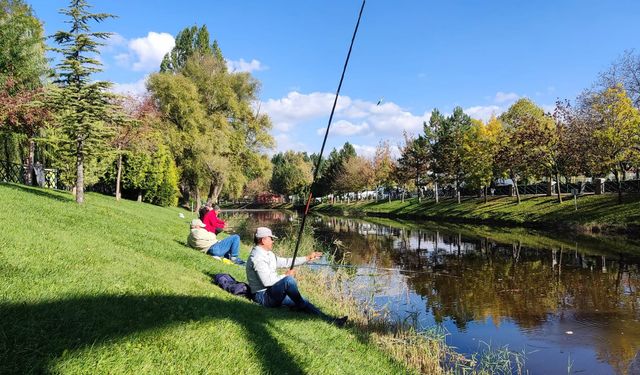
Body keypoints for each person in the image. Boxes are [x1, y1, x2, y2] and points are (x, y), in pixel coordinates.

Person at [245, 227, 348, 327]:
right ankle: (300, 305)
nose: (273, 241)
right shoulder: (258, 258)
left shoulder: (268, 254)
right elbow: (267, 282)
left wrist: (307, 258)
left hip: (272, 292)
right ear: (263, 240)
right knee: (288, 281)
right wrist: (285, 275)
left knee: (304, 300)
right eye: (271, 238)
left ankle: (332, 321)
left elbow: (286, 262)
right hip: (263, 296)